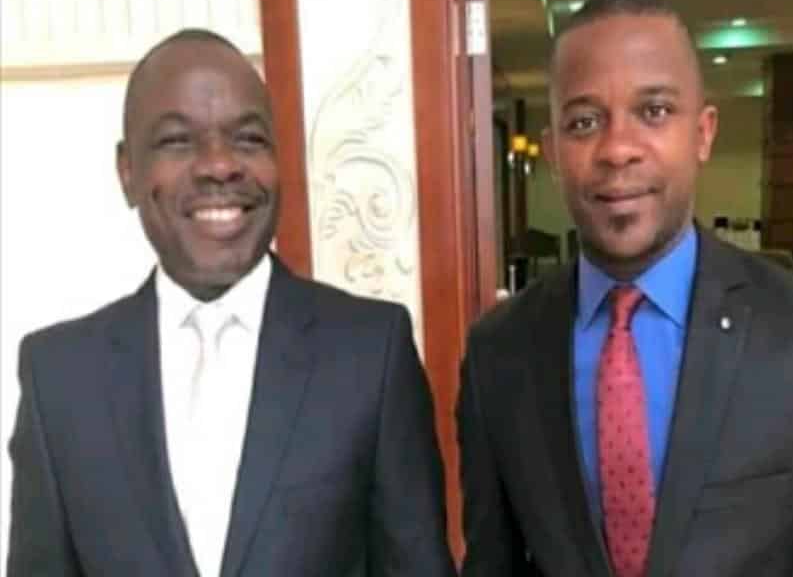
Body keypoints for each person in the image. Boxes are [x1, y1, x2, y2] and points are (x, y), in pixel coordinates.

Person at [457, 0, 793, 576]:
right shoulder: (499, 353)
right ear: (553, 152)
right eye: (584, 122)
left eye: (654, 111)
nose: (618, 149)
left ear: (703, 133)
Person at [7, 29, 456, 577]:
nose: (220, 165)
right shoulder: (59, 378)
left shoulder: (370, 354)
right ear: (128, 172)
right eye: (177, 141)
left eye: (248, 139)